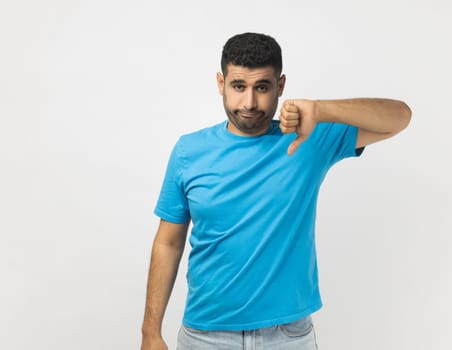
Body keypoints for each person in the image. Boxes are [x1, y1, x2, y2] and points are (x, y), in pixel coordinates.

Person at [141, 32, 411, 350]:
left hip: (288, 337)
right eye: (238, 86)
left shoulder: (308, 139)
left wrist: (321, 109)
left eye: (263, 87)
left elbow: (399, 118)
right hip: (206, 336)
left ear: (280, 86)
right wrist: (150, 332)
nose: (250, 103)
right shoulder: (189, 151)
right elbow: (168, 242)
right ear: (220, 83)